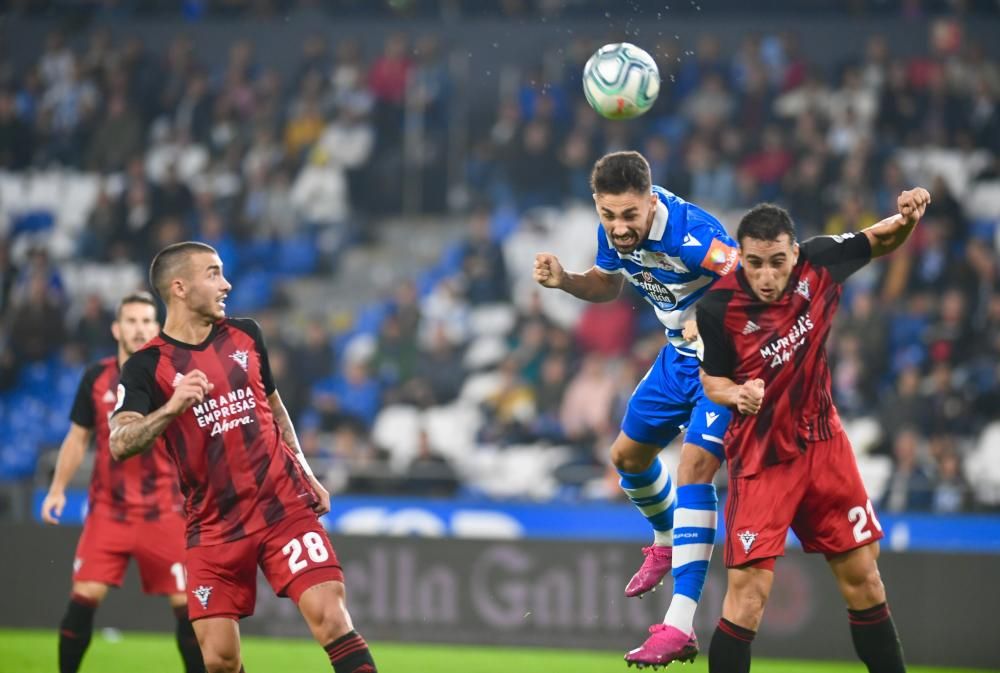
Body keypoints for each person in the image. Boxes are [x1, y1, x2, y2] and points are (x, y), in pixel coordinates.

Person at [109, 242, 376, 673]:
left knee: (331, 617)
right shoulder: (145, 366)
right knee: (219, 660)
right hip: (214, 527)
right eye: (213, 273)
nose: (226, 283)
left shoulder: (246, 334)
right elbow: (120, 442)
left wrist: (307, 473)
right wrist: (171, 408)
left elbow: (274, 405)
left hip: (282, 507)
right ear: (180, 287)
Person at [696, 188, 931, 673]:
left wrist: (907, 217)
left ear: (795, 253)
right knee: (748, 599)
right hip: (762, 458)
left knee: (865, 581)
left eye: (777, 261)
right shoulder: (719, 307)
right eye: (755, 263)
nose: (766, 276)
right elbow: (712, 379)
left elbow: (882, 237)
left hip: (824, 446)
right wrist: (735, 395)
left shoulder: (821, 262)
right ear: (741, 257)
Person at [534, 151, 739, 665]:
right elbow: (608, 284)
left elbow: (756, 284)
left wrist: (710, 320)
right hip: (678, 357)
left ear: (651, 201)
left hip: (729, 360)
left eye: (629, 215)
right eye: (609, 216)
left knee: (694, 469)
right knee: (626, 457)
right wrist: (566, 280)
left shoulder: (695, 235)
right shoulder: (614, 229)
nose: (620, 227)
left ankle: (679, 625)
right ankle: (666, 539)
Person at [40, 291, 204, 673]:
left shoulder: (174, 376)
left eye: (147, 321)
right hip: (108, 513)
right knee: (82, 602)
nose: (139, 328)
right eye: (131, 321)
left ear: (157, 327)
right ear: (116, 328)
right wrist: (58, 488)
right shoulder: (97, 377)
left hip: (166, 512)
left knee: (190, 611)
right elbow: (78, 437)